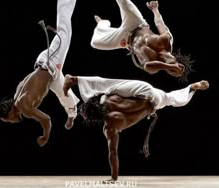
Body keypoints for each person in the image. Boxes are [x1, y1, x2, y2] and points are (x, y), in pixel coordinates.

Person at [0, 0, 85, 147]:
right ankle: (72, 115)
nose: (12, 122)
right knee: (64, 93)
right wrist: (41, 76)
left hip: (49, 62)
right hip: (48, 71)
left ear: (10, 112)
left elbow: (46, 120)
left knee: (65, 32)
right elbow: (24, 82)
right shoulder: (17, 97)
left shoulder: (23, 106)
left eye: (8, 120)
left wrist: (45, 137)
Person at [63, 74, 209, 182]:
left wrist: (114, 178)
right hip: (146, 92)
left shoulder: (110, 126)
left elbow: (113, 152)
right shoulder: (107, 99)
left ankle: (75, 79)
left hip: (152, 102)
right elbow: (103, 83)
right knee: (108, 85)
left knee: (168, 99)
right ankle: (190, 88)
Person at [91, 0, 193, 81]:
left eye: (172, 72)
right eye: (176, 67)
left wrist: (167, 67)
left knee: (95, 43)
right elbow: (160, 24)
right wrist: (155, 10)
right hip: (136, 24)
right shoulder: (167, 41)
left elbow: (147, 66)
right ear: (177, 60)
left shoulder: (154, 66)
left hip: (125, 40)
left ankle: (102, 24)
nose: (172, 69)